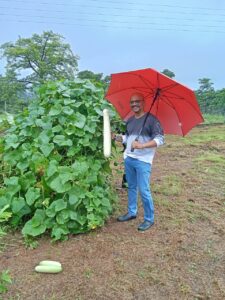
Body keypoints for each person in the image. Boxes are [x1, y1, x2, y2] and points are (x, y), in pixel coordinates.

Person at [116, 92, 164, 231]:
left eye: (137, 101)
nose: (134, 104)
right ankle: (132, 212)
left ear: (143, 103)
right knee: (131, 187)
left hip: (143, 161)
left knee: (144, 190)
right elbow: (127, 138)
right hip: (129, 158)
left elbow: (160, 139)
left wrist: (142, 145)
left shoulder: (152, 120)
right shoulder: (130, 120)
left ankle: (149, 219)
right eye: (132, 102)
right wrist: (117, 137)